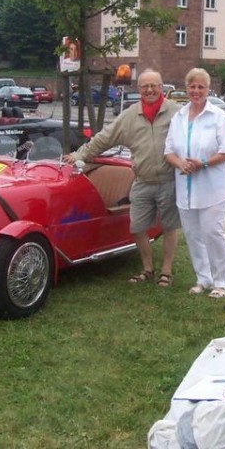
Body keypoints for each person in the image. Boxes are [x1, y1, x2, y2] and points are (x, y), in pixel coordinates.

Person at [64, 69, 181, 287]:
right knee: (137, 227)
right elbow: (103, 139)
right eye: (145, 86)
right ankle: (147, 268)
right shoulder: (129, 116)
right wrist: (80, 154)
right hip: (142, 181)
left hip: (169, 180)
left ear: (161, 87)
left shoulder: (176, 113)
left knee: (169, 226)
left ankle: (166, 270)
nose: (150, 90)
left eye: (154, 85)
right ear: (138, 89)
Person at [164, 68, 225, 298]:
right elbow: (169, 151)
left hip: (213, 188)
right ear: (186, 88)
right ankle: (203, 278)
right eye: (192, 86)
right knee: (193, 234)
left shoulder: (218, 116)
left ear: (208, 89)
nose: (196, 91)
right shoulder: (178, 117)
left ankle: (222, 282)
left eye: (201, 87)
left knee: (213, 232)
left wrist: (203, 163)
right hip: (185, 188)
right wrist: (180, 164)